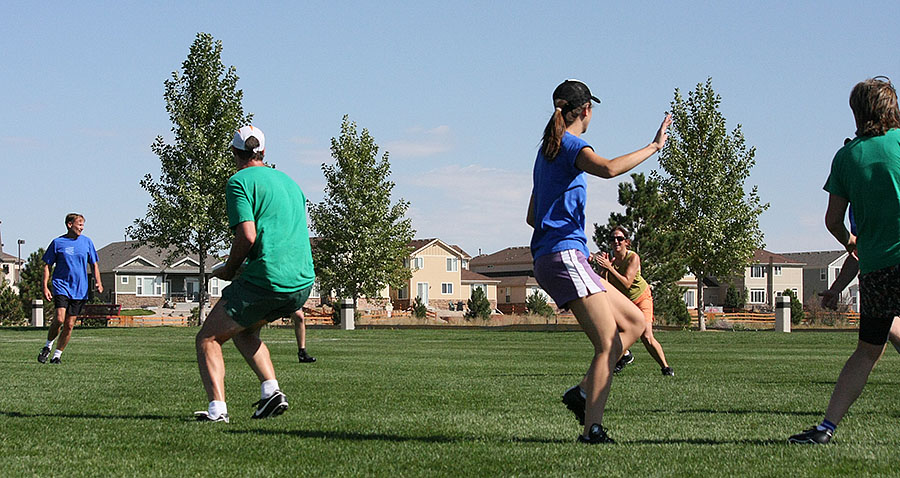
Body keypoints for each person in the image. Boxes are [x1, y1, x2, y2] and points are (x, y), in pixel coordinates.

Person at [527, 79, 672, 444]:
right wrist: (655, 146)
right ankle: (592, 428)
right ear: (586, 110)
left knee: (636, 323)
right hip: (564, 255)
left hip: (556, 255)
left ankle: (580, 393)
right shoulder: (572, 145)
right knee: (608, 343)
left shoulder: (546, 152)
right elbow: (607, 169)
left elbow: (532, 215)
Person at [790, 76, 900, 444]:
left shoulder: (847, 157)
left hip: (878, 268)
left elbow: (832, 221)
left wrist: (852, 243)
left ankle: (826, 428)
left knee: (868, 352)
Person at [194, 125, 316, 423]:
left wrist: (230, 268)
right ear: (264, 152)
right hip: (301, 281)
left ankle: (217, 410)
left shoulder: (239, 182)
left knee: (208, 339)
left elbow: (247, 237)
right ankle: (271, 392)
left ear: (235, 152)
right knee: (245, 331)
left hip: (266, 279)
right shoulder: (290, 182)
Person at [593, 225, 674, 376]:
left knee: (646, 336)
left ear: (627, 242)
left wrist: (610, 268)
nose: (616, 242)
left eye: (620, 239)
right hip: (624, 301)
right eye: (612, 239)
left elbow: (627, 283)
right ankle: (624, 356)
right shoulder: (608, 259)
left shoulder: (633, 258)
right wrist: (602, 268)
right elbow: (604, 284)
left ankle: (666, 368)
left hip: (641, 297)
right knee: (613, 332)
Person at [37, 213, 103, 364]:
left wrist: (98, 282)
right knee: (59, 319)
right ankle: (48, 347)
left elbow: (94, 264)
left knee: (69, 324)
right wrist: (45, 286)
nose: (82, 228)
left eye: (83, 225)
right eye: (79, 225)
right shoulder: (58, 242)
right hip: (61, 286)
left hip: (80, 289)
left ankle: (57, 356)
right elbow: (47, 265)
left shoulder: (87, 242)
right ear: (69, 224)